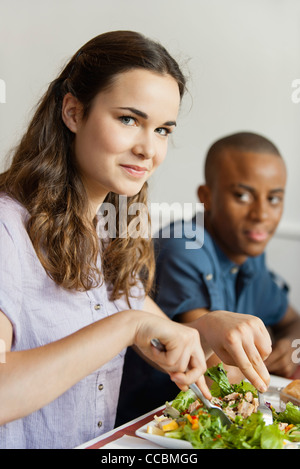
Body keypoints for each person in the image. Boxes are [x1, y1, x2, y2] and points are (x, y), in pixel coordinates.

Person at [0, 32, 271, 448]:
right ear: (73, 112)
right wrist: (127, 325)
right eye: (129, 119)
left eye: (162, 129)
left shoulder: (114, 226)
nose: (149, 149)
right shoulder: (6, 227)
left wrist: (206, 328)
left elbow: (156, 335)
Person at [116, 131, 300, 425]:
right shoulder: (184, 246)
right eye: (242, 195)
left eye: (274, 199)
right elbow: (217, 373)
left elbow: (293, 321)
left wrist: (289, 346)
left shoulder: (248, 254)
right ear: (206, 197)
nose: (261, 214)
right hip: (148, 424)